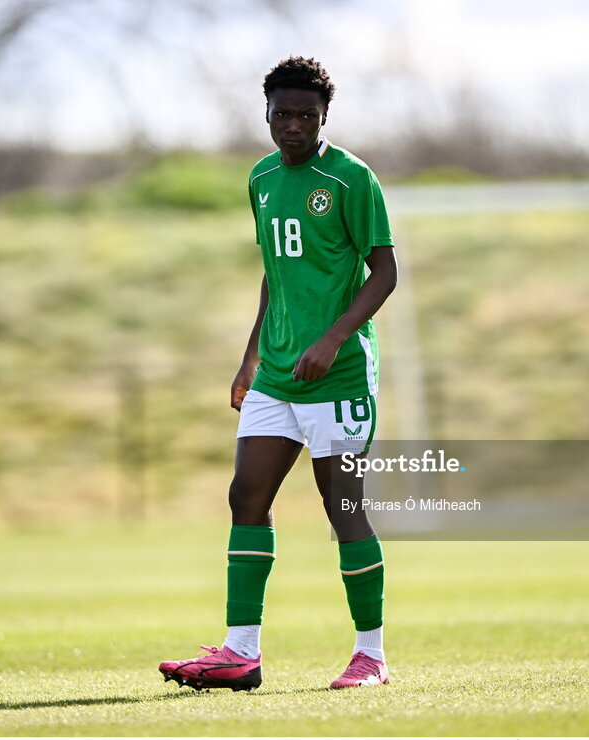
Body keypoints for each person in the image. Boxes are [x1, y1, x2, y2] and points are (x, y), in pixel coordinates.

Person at [158, 56, 398, 692]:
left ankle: (370, 655)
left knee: (341, 506)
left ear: (324, 118)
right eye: (282, 114)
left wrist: (335, 337)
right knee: (246, 497)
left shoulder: (351, 180)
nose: (293, 126)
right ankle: (241, 653)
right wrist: (252, 355)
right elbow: (276, 271)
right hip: (278, 374)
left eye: (306, 116)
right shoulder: (261, 178)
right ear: (266, 114)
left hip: (340, 373)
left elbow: (385, 273)